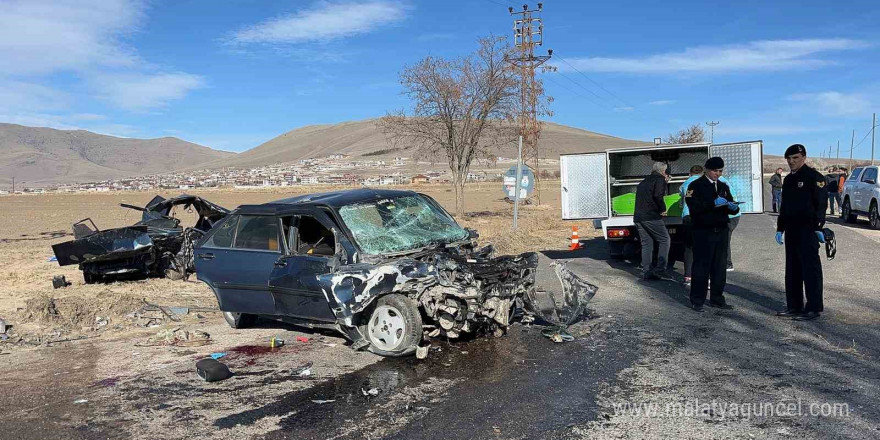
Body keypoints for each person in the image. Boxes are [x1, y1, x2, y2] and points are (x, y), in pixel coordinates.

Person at [776, 144, 827, 321]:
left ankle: (813, 308)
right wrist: (780, 228)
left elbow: (821, 205)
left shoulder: (815, 177)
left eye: (795, 158)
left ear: (804, 157)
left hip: (808, 230)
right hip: (792, 230)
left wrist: (818, 227)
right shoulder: (788, 180)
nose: (791, 162)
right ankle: (794, 306)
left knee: (810, 270)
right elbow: (785, 207)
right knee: (792, 270)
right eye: (789, 159)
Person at [684, 157, 740, 311]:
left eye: (720, 171)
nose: (718, 174)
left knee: (719, 267)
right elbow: (693, 206)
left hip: (721, 230)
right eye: (715, 171)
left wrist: (733, 207)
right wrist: (712, 204)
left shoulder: (722, 186)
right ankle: (697, 300)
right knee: (701, 267)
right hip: (703, 231)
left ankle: (717, 299)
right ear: (707, 169)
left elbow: (730, 205)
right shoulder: (695, 185)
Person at [634, 162, 673, 281]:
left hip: (638, 217)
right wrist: (663, 209)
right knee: (665, 240)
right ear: (663, 172)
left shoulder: (644, 181)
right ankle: (660, 269)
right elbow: (658, 196)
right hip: (651, 216)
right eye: (668, 174)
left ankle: (647, 271)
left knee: (647, 243)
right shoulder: (659, 179)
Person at [678, 165, 703, 287]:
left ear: (690, 173)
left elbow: (684, 200)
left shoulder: (686, 184)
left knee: (689, 247)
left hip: (688, 217)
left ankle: (688, 276)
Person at [719, 175, 742, 271]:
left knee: (725, 239)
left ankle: (728, 264)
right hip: (733, 216)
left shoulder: (719, 183)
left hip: (730, 216)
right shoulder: (722, 180)